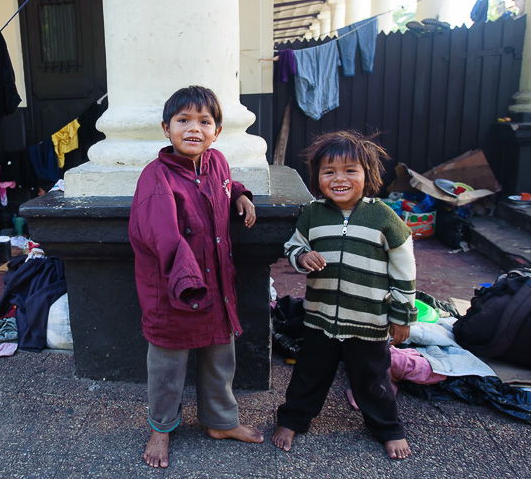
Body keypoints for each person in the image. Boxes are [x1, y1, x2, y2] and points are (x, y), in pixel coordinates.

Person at [129, 85, 264, 469]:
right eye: (183, 120)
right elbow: (163, 236)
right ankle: (161, 428)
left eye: (204, 121)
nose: (194, 128)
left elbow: (224, 185)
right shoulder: (156, 178)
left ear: (217, 132)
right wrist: (187, 283)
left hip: (217, 285)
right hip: (176, 290)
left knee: (221, 359)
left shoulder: (218, 162)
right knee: (168, 368)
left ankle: (221, 422)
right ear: (166, 129)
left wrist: (240, 193)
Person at [272, 130, 417, 460]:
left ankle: (387, 428)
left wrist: (402, 315)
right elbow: (294, 245)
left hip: (369, 321)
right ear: (317, 177)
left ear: (367, 174)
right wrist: (302, 257)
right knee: (309, 374)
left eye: (350, 170)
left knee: (372, 380)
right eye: (329, 171)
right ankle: (293, 419)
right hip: (320, 320)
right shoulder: (312, 213)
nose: (339, 178)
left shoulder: (382, 216)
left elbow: (404, 267)